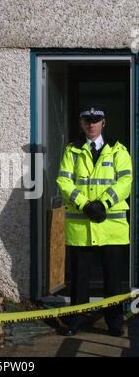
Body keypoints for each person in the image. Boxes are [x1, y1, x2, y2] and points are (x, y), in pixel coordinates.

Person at [56, 105, 133, 337]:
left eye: (95, 120)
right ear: (81, 123)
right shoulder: (72, 150)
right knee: (80, 280)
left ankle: (115, 323)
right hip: (82, 227)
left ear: (103, 123)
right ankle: (77, 321)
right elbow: (63, 181)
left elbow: (126, 182)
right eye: (87, 120)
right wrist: (86, 205)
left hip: (112, 228)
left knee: (113, 280)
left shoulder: (119, 150)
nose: (91, 124)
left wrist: (103, 204)